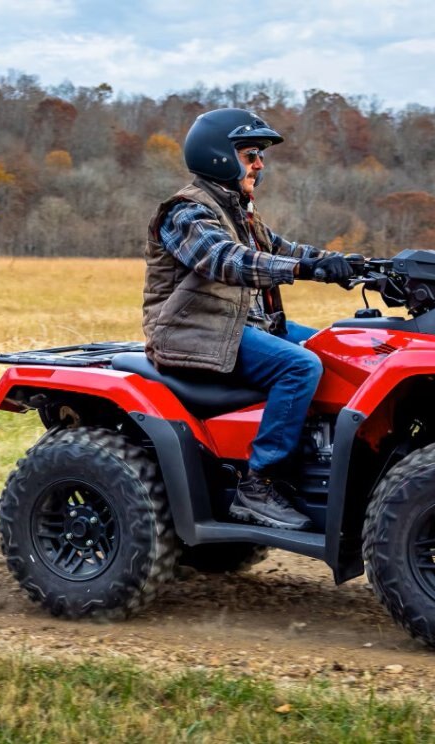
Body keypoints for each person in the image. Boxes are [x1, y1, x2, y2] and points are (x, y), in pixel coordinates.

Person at [143, 108, 353, 531]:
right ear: (218, 155)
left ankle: (321, 466)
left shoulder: (240, 211)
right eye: (250, 153)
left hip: (239, 328)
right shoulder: (186, 212)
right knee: (300, 365)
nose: (260, 164)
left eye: (260, 155)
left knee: (339, 348)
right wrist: (302, 271)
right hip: (192, 334)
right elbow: (225, 260)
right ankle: (259, 483)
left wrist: (354, 265)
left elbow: (287, 250)